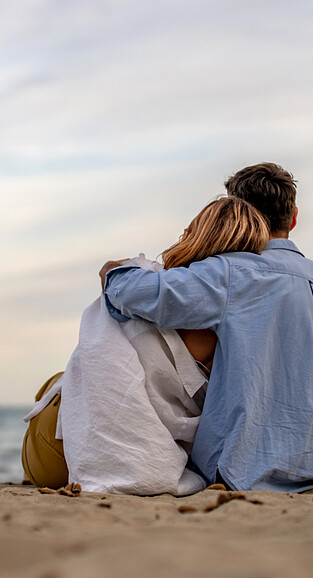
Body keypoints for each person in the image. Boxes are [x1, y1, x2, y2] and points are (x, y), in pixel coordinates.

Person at [101, 163, 313, 493]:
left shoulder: (231, 274)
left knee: (112, 318)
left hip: (249, 475)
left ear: (240, 214)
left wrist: (113, 272)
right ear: (293, 218)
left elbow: (138, 294)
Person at [22, 196, 269, 495]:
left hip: (60, 446)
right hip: (113, 444)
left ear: (198, 236)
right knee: (62, 382)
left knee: (60, 382)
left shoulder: (152, 283)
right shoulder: (249, 318)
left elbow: (110, 275)